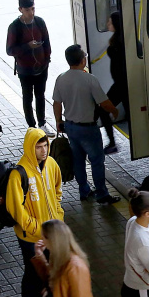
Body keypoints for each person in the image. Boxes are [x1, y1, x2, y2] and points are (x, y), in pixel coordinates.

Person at [6, 128, 64, 297]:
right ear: (30, 148)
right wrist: (36, 229)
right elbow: (16, 211)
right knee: (33, 274)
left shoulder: (52, 165)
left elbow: (57, 190)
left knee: (52, 270)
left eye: (45, 146)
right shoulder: (18, 174)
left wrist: (58, 215)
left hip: (52, 233)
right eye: (38, 147)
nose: (43, 151)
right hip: (31, 238)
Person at [53, 44, 121, 205]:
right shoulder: (89, 79)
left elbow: (57, 103)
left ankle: (84, 191)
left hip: (70, 127)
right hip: (89, 129)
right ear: (82, 60)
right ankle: (102, 195)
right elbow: (104, 103)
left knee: (78, 161)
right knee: (97, 161)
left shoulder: (61, 78)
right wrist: (115, 112)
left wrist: (58, 121)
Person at [6, 0, 53, 131]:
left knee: (40, 95)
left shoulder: (39, 22)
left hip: (42, 67)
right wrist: (27, 46)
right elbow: (10, 50)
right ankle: (31, 126)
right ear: (20, 9)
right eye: (28, 10)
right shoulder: (15, 27)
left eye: (33, 9)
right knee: (27, 97)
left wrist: (47, 60)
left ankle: (42, 123)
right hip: (25, 69)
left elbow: (47, 42)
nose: (31, 13)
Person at [98, 12, 130, 155]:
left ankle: (112, 143)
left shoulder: (119, 42)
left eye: (110, 22)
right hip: (121, 85)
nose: (107, 25)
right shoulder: (121, 39)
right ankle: (112, 142)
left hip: (121, 86)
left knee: (103, 110)